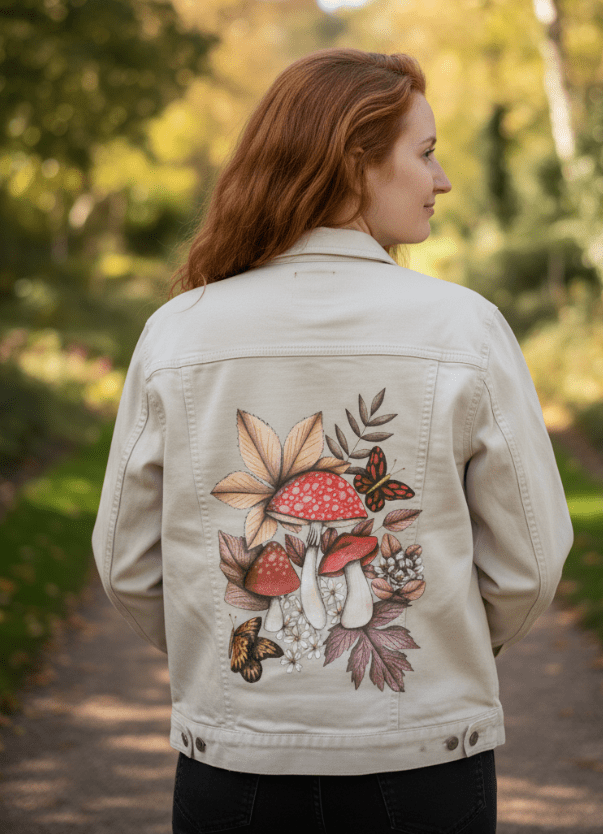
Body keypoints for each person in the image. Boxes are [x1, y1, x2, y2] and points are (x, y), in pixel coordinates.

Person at [92, 48, 573, 834]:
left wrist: (224, 652)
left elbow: (125, 560)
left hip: (235, 760)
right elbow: (532, 558)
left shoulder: (176, 331)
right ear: (355, 164)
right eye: (425, 154)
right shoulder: (464, 328)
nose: (442, 180)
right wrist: (439, 643)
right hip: (424, 757)